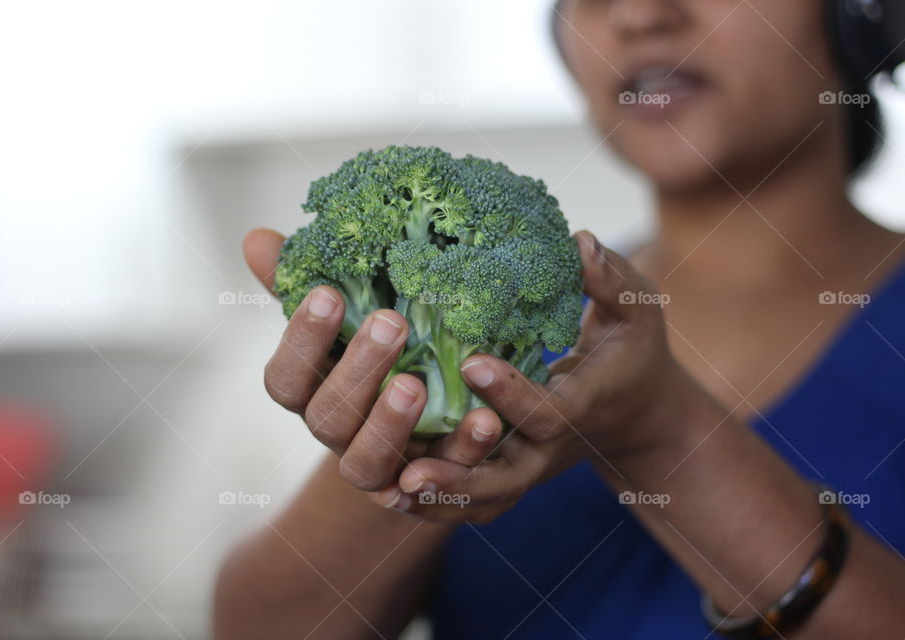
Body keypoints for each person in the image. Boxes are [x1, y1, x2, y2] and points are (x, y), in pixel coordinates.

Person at [215, 1, 905, 637]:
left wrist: (660, 436)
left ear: (861, 13)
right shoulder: (494, 321)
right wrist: (407, 460)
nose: (637, 14)